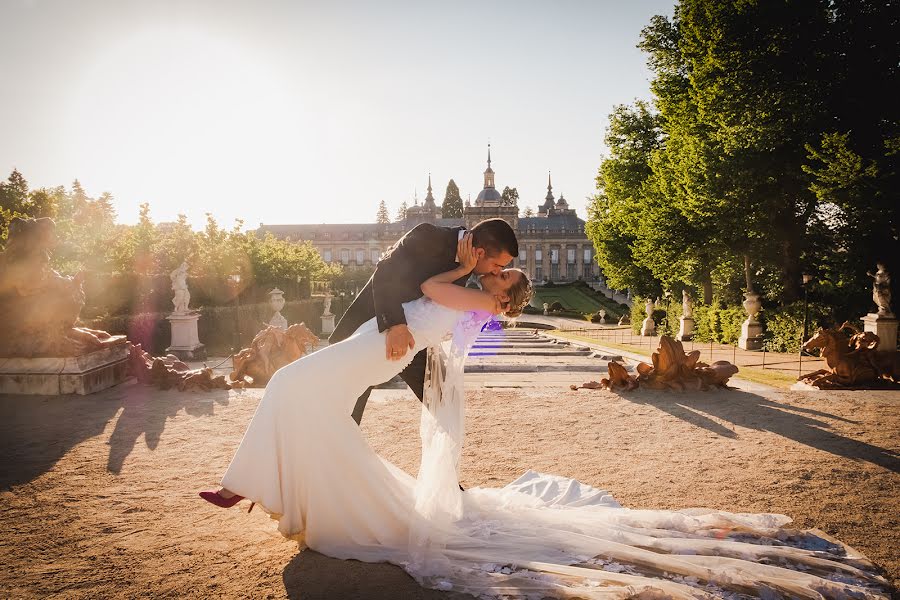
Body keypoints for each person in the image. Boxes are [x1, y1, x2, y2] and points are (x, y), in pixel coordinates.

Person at [200, 238, 889, 598]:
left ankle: (247, 485)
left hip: (372, 353)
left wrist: (463, 265)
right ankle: (272, 488)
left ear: (502, 289)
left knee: (291, 382)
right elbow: (420, 288)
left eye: (499, 274)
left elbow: (426, 287)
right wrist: (467, 261)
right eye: (494, 268)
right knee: (305, 403)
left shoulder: (469, 299)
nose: (492, 273)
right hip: (371, 349)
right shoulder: (476, 296)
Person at [329, 217, 518, 425]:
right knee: (344, 410)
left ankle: (448, 454)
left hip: (414, 342)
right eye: (497, 265)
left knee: (446, 402)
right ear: (480, 253)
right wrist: (397, 325)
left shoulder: (467, 267)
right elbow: (385, 272)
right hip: (372, 328)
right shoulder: (429, 236)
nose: (496, 271)